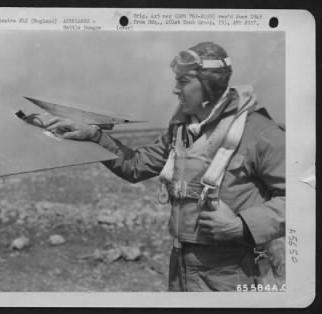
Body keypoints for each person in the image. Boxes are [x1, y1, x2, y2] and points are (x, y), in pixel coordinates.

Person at [44, 42, 285, 291]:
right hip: (180, 266)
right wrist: (94, 137)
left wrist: (242, 225)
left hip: (233, 271)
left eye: (183, 81)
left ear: (209, 85)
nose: (175, 90)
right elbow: (135, 166)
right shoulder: (180, 130)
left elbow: (303, 197)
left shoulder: (260, 133)